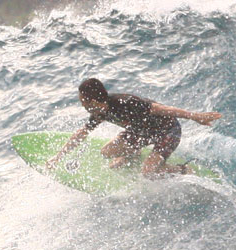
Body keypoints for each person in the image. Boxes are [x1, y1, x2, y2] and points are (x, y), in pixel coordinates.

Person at [56, 76, 222, 178]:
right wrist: (58, 157)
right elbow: (81, 134)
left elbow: (160, 108)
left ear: (92, 101)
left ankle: (183, 169)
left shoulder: (125, 102)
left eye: (83, 101)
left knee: (148, 173)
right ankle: (134, 154)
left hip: (166, 131)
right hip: (142, 132)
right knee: (108, 153)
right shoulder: (99, 112)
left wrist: (195, 116)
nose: (82, 105)